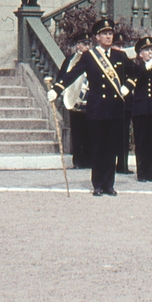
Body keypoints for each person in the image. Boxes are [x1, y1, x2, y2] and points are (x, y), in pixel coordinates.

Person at [50, 18, 131, 196]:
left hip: (114, 109)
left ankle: (109, 184)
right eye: (105, 34)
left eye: (110, 33)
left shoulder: (120, 56)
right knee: (97, 147)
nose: (108, 37)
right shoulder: (90, 56)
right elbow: (73, 74)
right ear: (97, 37)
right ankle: (98, 184)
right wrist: (57, 89)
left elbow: (137, 72)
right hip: (97, 109)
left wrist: (128, 86)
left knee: (111, 148)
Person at [128, 36, 152, 182]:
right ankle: (142, 172)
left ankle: (151, 173)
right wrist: (150, 67)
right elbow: (139, 74)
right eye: (146, 50)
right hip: (141, 109)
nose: (150, 52)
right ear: (140, 54)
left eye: (151, 50)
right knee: (142, 141)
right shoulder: (136, 67)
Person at [56, 36, 91, 168]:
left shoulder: (93, 59)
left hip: (89, 100)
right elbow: (62, 77)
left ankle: (88, 160)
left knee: (89, 132)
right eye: (84, 43)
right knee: (77, 132)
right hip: (75, 100)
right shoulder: (70, 60)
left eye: (89, 44)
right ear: (78, 45)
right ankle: (77, 160)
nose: (87, 46)